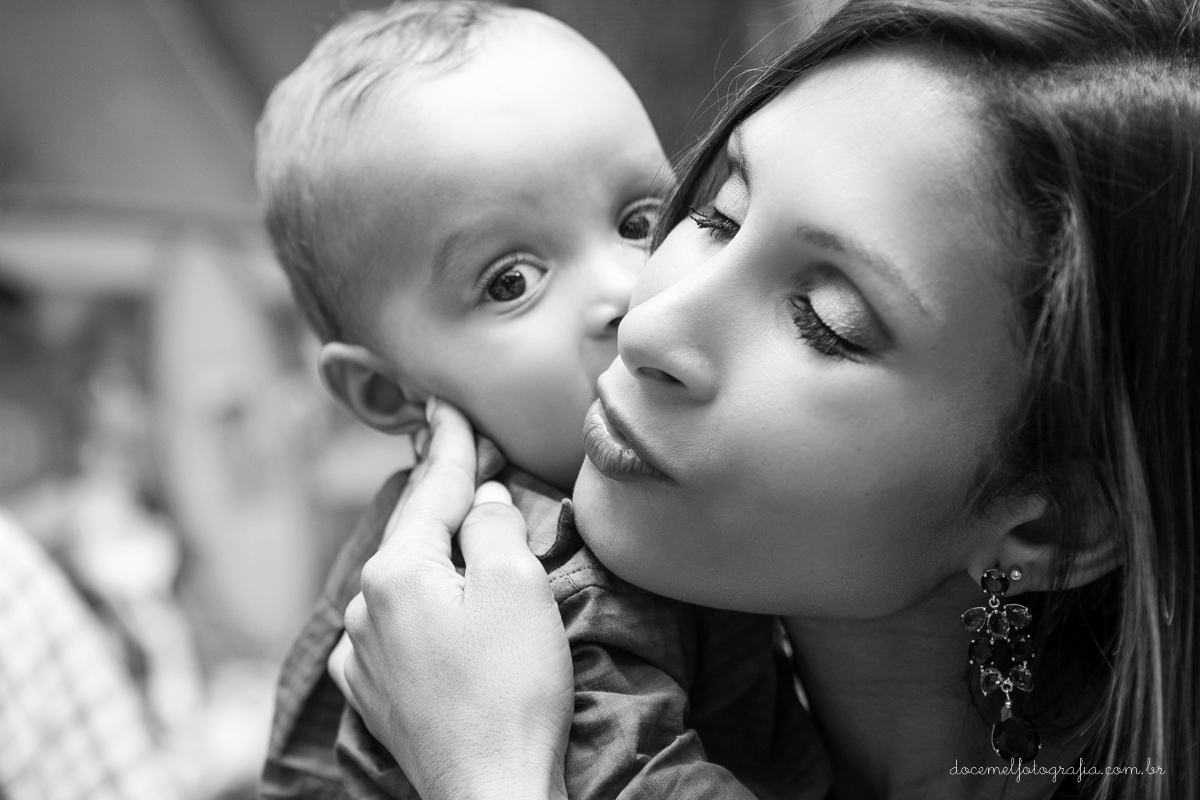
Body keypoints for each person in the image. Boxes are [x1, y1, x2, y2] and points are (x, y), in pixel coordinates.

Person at [338, 0, 1200, 798]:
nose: (644, 325)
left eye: (826, 321)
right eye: (719, 213)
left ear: (1055, 522)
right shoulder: (494, 617)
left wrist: (488, 769)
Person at [255, 2, 827, 798]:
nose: (627, 290)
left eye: (637, 220)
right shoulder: (524, 577)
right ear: (390, 391)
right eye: (511, 281)